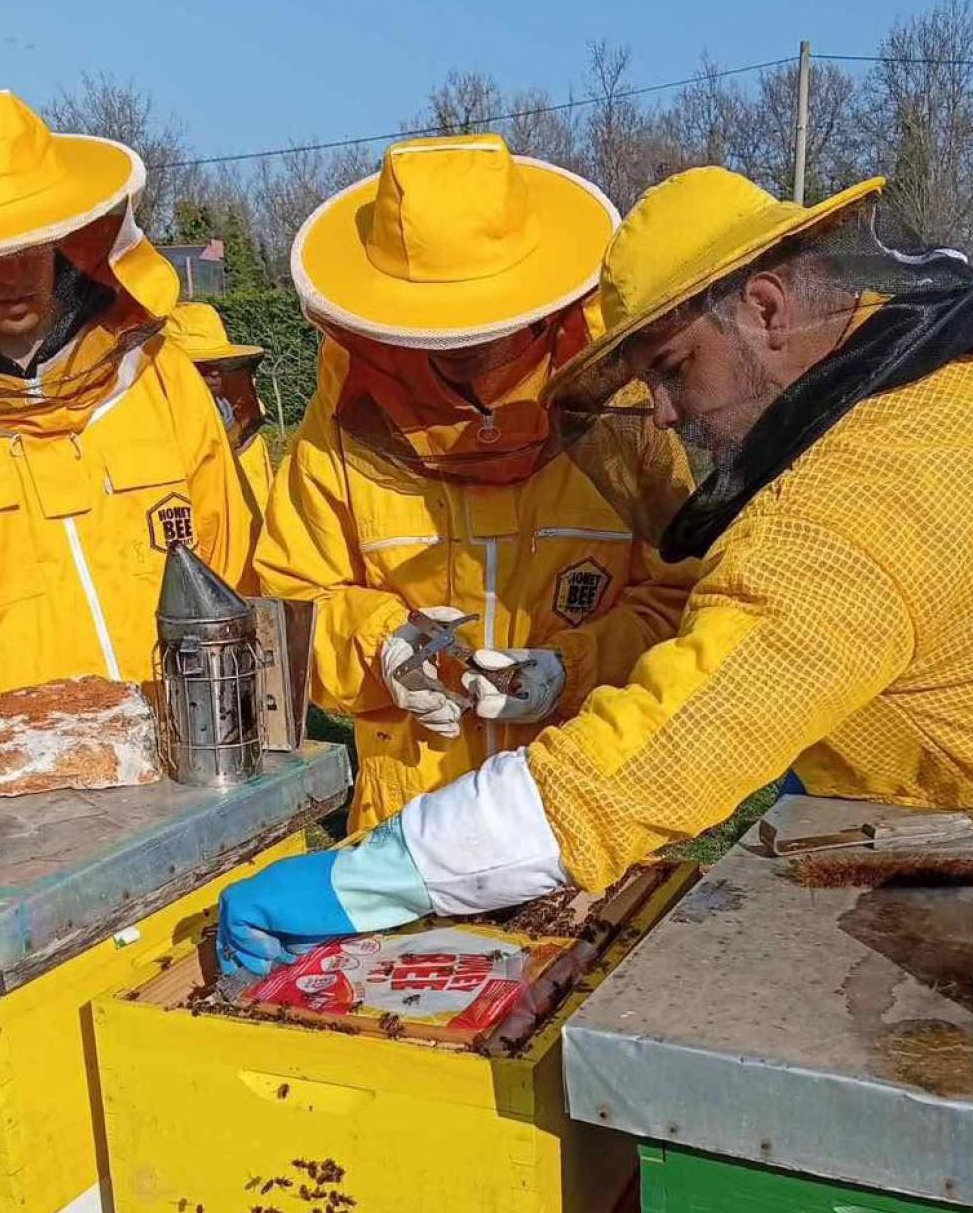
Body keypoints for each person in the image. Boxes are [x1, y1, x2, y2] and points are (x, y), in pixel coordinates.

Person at [221, 165, 973, 976]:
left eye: (671, 369)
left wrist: (370, 880)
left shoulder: (860, 496)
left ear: (763, 307)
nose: (664, 414)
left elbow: (655, 758)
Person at [255, 132, 697, 832]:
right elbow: (287, 606)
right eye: (438, 336)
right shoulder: (341, 427)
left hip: (586, 806)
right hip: (411, 821)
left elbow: (683, 602)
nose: (469, 351)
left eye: (488, 327)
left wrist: (573, 669)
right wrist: (382, 649)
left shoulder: (627, 415)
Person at [0, 91, 252, 700]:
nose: (10, 275)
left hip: (192, 754)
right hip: (11, 780)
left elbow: (230, 569)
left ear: (64, 237)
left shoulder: (161, 378)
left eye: (27, 244)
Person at [164, 300, 273, 546]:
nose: (214, 374)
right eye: (203, 367)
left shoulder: (251, 442)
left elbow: (265, 516)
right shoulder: (158, 448)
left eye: (221, 366)